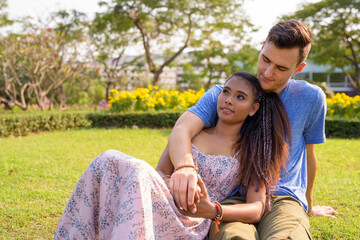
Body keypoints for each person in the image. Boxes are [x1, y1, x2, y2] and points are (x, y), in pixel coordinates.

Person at [54, 72, 291, 239]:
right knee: (107, 159)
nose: (228, 100)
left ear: (253, 108)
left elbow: (256, 209)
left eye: (240, 97)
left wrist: (213, 210)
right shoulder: (191, 135)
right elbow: (159, 172)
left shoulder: (251, 150)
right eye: (226, 92)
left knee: (135, 169)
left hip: (192, 220)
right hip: (159, 201)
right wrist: (171, 182)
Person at [165, 20, 336, 240]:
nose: (268, 72)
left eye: (281, 68)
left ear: (298, 68)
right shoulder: (224, 95)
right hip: (233, 198)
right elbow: (181, 129)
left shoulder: (311, 98)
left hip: (283, 197)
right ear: (263, 46)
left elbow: (309, 156)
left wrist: (309, 206)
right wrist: (184, 167)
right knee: (233, 237)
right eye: (265, 59)